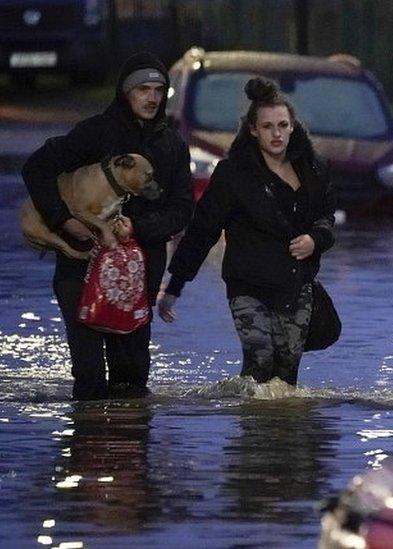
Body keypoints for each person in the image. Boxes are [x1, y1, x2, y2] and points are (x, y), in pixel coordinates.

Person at [21, 52, 194, 400]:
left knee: (130, 379)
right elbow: (36, 168)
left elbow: (182, 209)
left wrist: (137, 227)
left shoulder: (172, 145)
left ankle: (128, 451)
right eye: (143, 89)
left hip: (139, 268)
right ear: (126, 92)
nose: (152, 97)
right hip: (80, 266)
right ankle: (85, 448)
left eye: (158, 90)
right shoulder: (95, 132)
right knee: (89, 377)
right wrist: (63, 220)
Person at [157, 77, 335, 386]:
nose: (276, 133)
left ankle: (284, 432)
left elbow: (326, 217)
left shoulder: (312, 169)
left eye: (282, 125)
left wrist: (315, 240)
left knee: (286, 369)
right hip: (248, 285)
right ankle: (252, 429)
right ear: (253, 130)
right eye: (267, 127)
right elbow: (202, 230)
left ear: (293, 126)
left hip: (296, 283)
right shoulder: (233, 175)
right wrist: (174, 286)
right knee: (260, 360)